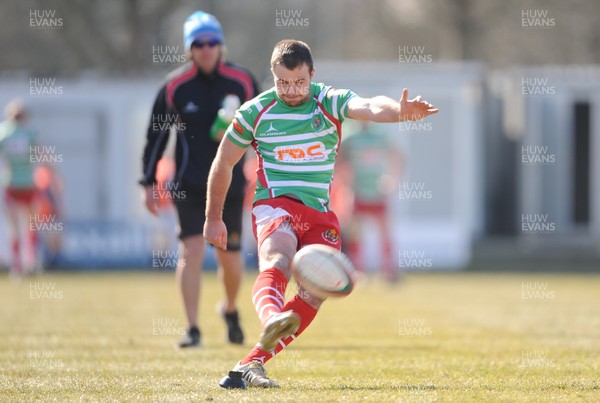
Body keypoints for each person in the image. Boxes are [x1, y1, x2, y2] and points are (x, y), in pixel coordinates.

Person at [203, 39, 438, 388]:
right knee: (279, 257)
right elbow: (223, 163)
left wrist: (399, 112)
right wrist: (212, 217)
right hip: (275, 203)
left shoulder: (328, 100)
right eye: (283, 82)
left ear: (312, 75)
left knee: (314, 293)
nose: (292, 90)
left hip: (319, 213)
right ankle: (271, 316)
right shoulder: (255, 112)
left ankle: (251, 365)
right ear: (273, 76)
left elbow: (370, 106)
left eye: (299, 81)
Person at [140, 11, 260, 348]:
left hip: (231, 185)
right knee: (191, 251)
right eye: (198, 43)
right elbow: (155, 137)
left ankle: (231, 309)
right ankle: (193, 329)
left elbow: (266, 129)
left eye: (211, 42)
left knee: (230, 257)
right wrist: (147, 183)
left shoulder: (243, 81)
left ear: (220, 45)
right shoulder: (175, 86)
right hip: (189, 185)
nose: (205, 49)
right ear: (189, 49)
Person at [336, 122, 403, 282]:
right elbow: (338, 159)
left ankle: (388, 271)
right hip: (357, 190)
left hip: (377, 192)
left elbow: (397, 156)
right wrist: (344, 182)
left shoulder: (380, 136)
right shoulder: (350, 138)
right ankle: (359, 271)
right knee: (356, 232)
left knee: (385, 231)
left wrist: (392, 180)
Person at [0, 99, 39, 277]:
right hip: (28, 183)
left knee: (14, 228)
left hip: (11, 183)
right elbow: (39, 156)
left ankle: (17, 268)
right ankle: (30, 262)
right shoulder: (29, 133)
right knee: (30, 225)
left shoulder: (3, 133)